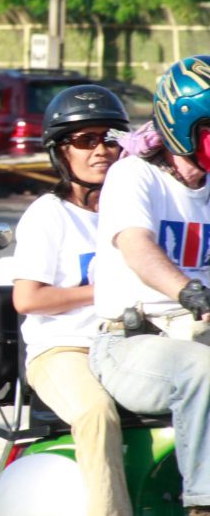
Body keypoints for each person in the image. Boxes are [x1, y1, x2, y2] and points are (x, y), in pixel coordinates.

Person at [90, 55, 210, 516]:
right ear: (184, 128)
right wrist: (188, 290)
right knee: (202, 369)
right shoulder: (133, 176)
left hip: (194, 333)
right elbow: (137, 247)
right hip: (130, 343)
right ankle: (203, 502)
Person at [10, 85, 132, 516]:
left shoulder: (135, 208)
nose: (101, 150)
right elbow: (27, 298)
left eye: (110, 138)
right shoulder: (49, 214)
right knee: (97, 413)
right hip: (64, 349)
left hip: (130, 343)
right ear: (61, 151)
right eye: (86, 140)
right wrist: (106, 290)